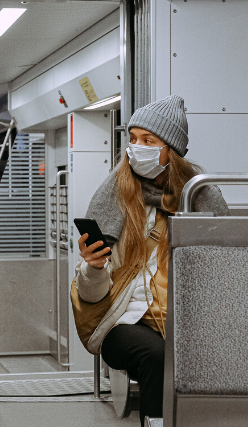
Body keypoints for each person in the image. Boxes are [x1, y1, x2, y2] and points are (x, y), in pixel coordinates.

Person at [75, 95, 229, 426]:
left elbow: (224, 271)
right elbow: (91, 297)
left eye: (148, 140)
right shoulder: (116, 195)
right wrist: (93, 268)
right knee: (157, 355)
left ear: (171, 151)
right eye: (132, 139)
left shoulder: (200, 198)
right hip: (124, 323)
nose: (136, 147)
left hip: (187, 321)